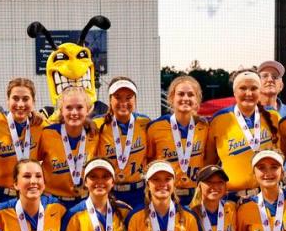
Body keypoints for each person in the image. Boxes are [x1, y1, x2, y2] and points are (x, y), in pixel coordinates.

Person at [206, 70, 279, 200]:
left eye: (254, 88)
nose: (249, 93)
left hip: (266, 195)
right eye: (243, 88)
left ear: (260, 91)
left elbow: (283, 153)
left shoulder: (273, 116)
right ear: (234, 92)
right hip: (231, 198)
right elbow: (210, 163)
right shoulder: (219, 119)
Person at [127, 160, 205, 231]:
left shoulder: (189, 217)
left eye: (167, 179)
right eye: (156, 179)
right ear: (148, 184)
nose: (162, 184)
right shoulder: (134, 217)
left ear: (174, 183)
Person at [147, 75, 210, 206]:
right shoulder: (155, 127)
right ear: (171, 98)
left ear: (197, 99)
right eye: (181, 94)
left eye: (191, 95)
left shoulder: (205, 127)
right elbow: (148, 161)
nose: (185, 98)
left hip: (197, 196)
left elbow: (210, 159)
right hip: (167, 195)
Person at [37, 87, 99, 209]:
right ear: (61, 110)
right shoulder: (46, 134)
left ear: (88, 110)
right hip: (52, 203)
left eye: (80, 107)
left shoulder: (95, 134)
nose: (74, 113)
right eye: (69, 108)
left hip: (84, 202)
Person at [0, 78, 44, 206]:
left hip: (27, 197)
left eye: (26, 99)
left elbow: (64, 121)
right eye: (15, 98)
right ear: (7, 101)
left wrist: (88, 121)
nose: (20, 104)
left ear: (33, 102)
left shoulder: (39, 125)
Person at [96, 77, 150, 208]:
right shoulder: (97, 125)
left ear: (135, 100)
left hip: (139, 193)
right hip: (109, 193)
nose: (123, 102)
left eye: (128, 97)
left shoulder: (145, 123)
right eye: (118, 97)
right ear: (110, 100)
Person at [189, 164, 238, 231]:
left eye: (220, 182)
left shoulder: (232, 208)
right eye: (209, 182)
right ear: (199, 185)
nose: (215, 186)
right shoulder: (191, 215)